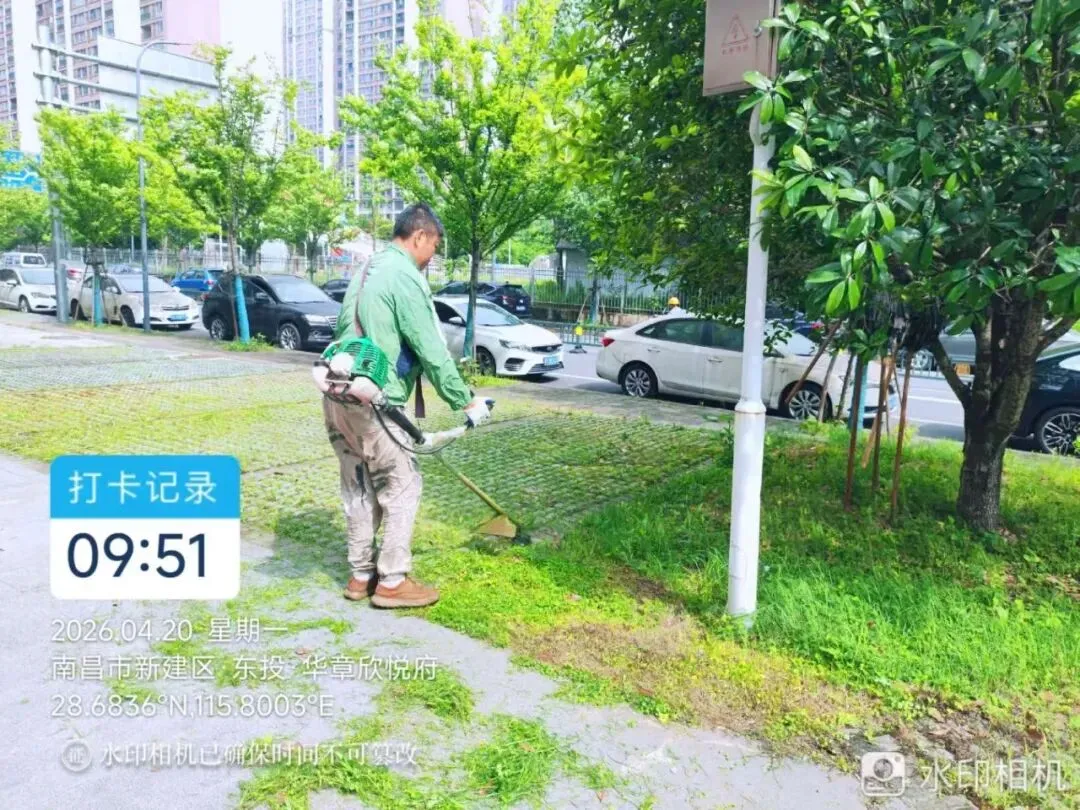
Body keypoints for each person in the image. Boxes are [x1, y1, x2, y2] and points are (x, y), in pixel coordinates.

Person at [324, 203, 490, 609]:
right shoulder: (404, 276)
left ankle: (360, 576)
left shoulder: (365, 270)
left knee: (358, 485)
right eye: (434, 246)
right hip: (377, 400)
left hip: (336, 392)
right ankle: (393, 582)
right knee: (401, 485)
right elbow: (431, 349)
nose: (433, 256)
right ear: (419, 236)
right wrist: (466, 400)